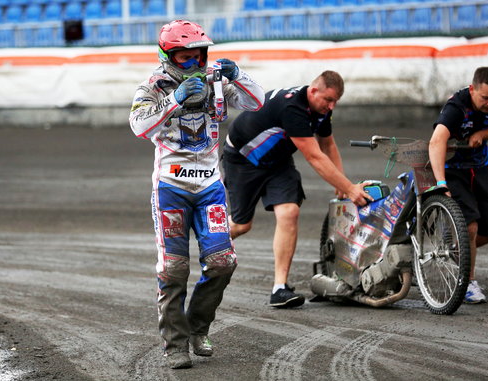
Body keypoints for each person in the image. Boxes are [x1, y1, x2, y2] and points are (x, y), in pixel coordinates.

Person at [129, 20, 264, 369]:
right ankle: (175, 345)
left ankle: (197, 328)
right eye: (185, 58)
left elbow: (256, 102)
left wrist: (238, 75)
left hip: (210, 188)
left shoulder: (215, 81)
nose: (193, 64)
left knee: (223, 262)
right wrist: (174, 100)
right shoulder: (153, 86)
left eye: (198, 57)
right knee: (174, 268)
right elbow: (139, 126)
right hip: (170, 187)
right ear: (169, 57)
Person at [222, 70, 373, 309]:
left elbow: (328, 145)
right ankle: (205, 245)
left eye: (335, 102)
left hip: (278, 162)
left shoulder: (322, 111)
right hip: (243, 159)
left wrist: (343, 185)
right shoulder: (293, 109)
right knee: (241, 225)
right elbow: (314, 157)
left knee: (290, 212)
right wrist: (349, 188)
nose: (331, 106)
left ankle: (279, 288)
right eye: (328, 100)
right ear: (313, 91)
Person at [429, 66, 488, 304]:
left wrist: (483, 134)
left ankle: (454, 245)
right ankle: (468, 282)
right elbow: (436, 142)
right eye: (485, 98)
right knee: (470, 227)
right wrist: (441, 182)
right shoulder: (456, 108)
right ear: (473, 89)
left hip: (480, 168)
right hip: (454, 170)